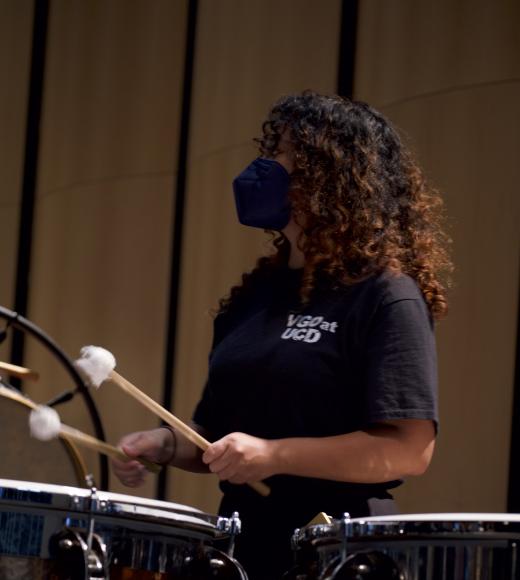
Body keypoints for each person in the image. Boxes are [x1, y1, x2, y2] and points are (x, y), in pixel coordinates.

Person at [112, 91, 452, 579]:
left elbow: (408, 449)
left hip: (337, 550)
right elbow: (219, 439)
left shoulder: (384, 295)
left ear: (330, 178)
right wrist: (167, 445)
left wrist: (274, 456)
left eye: (280, 154)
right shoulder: (252, 297)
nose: (261, 167)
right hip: (242, 545)